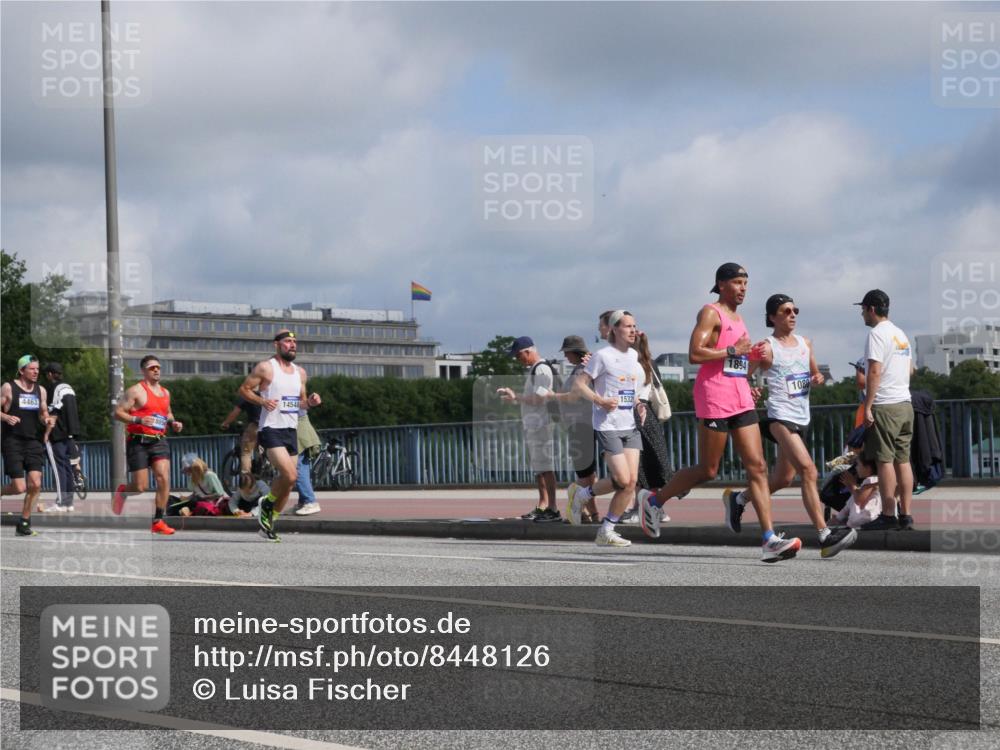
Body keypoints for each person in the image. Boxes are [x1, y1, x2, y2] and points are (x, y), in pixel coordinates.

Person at [636, 263, 802, 562]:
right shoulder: (710, 313)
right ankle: (654, 500)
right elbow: (695, 353)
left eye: (746, 283)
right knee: (708, 470)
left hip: (741, 398)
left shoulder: (739, 319)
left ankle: (769, 539)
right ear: (721, 284)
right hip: (714, 397)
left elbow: (735, 361)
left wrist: (752, 362)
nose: (743, 289)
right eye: (737, 282)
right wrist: (734, 351)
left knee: (757, 467)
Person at [722, 294, 857, 558]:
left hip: (801, 417)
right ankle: (824, 535)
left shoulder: (806, 343)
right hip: (779, 417)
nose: (792, 315)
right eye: (786, 311)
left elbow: (814, 372)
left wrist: (817, 378)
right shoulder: (766, 347)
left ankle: (739, 499)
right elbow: (740, 376)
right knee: (808, 470)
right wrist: (750, 390)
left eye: (795, 310)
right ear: (772, 317)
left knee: (783, 478)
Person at [566, 310, 646, 547]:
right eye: (627, 326)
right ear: (614, 330)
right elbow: (580, 384)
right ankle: (582, 496)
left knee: (630, 482)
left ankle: (606, 529)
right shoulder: (602, 356)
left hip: (629, 425)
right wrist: (599, 400)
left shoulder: (633, 355)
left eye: (634, 326)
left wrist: (638, 404)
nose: (633, 330)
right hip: (608, 425)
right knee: (622, 479)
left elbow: (628, 389)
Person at [238, 329, 321, 541]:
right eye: (287, 341)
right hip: (270, 429)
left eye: (294, 342)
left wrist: (310, 402)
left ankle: (268, 520)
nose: (292, 345)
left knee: (289, 482)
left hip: (291, 430)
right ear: (276, 344)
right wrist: (262, 401)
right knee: (290, 475)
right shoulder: (266, 367)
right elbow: (244, 389)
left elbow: (301, 403)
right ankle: (266, 502)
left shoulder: (300, 373)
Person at [855, 289, 915, 531]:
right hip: (905, 404)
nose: (862, 314)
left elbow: (874, 371)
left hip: (885, 405)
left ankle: (888, 515)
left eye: (863, 309)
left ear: (871, 309)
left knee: (884, 460)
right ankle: (906, 515)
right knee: (903, 460)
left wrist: (868, 405)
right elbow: (910, 370)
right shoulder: (901, 335)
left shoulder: (876, 334)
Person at [112, 354, 184, 535]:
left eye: (158, 367)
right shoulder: (135, 391)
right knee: (140, 487)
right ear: (144, 371)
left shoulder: (166, 392)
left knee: (163, 478)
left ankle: (158, 521)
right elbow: (118, 413)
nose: (156, 370)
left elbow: (167, 413)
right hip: (138, 442)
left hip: (159, 440)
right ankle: (123, 492)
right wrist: (138, 419)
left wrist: (173, 423)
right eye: (152, 368)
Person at [496, 337, 561, 523]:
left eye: (519, 356)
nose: (518, 360)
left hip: (541, 424)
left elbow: (540, 398)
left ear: (528, 351)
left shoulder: (541, 369)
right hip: (535, 424)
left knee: (545, 467)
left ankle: (552, 508)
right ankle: (543, 505)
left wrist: (517, 397)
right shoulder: (535, 369)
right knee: (539, 468)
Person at [1, 355, 54, 536]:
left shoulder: (41, 390)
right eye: (32, 369)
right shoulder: (9, 387)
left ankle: (24, 523)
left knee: (35, 484)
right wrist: (6, 417)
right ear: (21, 370)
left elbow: (43, 412)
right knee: (19, 487)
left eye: (37, 369)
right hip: (12, 441)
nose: (36, 372)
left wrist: (46, 419)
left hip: (33, 441)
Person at [559, 335, 600, 523]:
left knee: (584, 472)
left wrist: (552, 396)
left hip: (581, 424)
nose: (565, 356)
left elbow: (574, 396)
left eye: (567, 352)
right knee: (587, 472)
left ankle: (585, 511)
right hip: (585, 423)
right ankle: (587, 512)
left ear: (574, 352)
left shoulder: (582, 370)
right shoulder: (583, 367)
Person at [43, 362, 83, 511]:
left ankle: (60, 502)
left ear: (50, 374)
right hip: (70, 433)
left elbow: (53, 412)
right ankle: (68, 503)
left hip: (58, 434)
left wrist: (46, 433)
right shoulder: (69, 388)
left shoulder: (54, 388)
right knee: (67, 468)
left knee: (58, 468)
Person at [220, 390, 262, 484]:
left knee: (246, 453)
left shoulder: (247, 395)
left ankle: (247, 483)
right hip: (270, 426)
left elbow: (235, 412)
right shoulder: (268, 393)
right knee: (262, 449)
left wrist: (225, 423)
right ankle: (263, 466)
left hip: (255, 425)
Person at [832, 457, 883, 528]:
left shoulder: (871, 480)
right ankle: (838, 518)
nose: (856, 468)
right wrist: (850, 486)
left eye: (858, 464)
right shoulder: (875, 480)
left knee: (853, 498)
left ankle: (838, 518)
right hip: (870, 517)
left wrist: (852, 485)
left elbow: (859, 500)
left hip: (865, 518)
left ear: (867, 468)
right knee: (853, 497)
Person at [292, 406, 323, 515]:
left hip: (297, 428)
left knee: (297, 468)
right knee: (302, 468)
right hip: (302, 428)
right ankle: (303, 502)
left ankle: (310, 502)